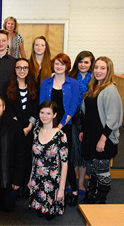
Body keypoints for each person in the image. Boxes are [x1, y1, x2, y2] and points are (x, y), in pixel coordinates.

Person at [79, 57, 122, 204]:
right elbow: (88, 114)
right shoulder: (94, 87)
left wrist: (103, 139)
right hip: (92, 135)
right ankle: (90, 196)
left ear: (108, 70)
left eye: (102, 68)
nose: (98, 71)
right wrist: (83, 130)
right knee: (93, 169)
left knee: (102, 171)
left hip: (104, 138)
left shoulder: (110, 89)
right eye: (96, 67)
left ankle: (100, 200)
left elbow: (113, 119)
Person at [40, 53, 79, 206]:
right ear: (53, 65)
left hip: (65, 127)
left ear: (67, 66)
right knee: (48, 161)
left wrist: (60, 126)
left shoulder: (73, 83)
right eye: (56, 63)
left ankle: (74, 191)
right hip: (46, 127)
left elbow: (72, 107)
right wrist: (48, 127)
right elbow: (43, 106)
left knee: (65, 161)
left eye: (62, 64)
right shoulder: (46, 83)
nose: (59, 66)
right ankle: (49, 191)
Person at [28, 100, 68, 221]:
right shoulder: (36, 131)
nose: (44, 116)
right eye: (42, 112)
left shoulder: (61, 135)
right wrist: (31, 178)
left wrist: (61, 189)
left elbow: (65, 164)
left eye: (48, 113)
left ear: (55, 115)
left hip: (52, 180)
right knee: (39, 214)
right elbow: (34, 157)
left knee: (49, 217)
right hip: (37, 177)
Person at [6, 58, 38, 199]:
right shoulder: (7, 86)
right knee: (15, 157)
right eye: (19, 67)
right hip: (14, 129)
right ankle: (16, 185)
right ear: (14, 69)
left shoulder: (35, 86)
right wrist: (19, 128)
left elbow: (36, 108)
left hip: (29, 129)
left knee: (27, 158)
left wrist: (29, 126)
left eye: (25, 68)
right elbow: (7, 109)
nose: (22, 70)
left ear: (28, 70)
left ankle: (27, 186)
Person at [69, 51, 95, 195]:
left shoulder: (94, 79)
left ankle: (81, 182)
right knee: (74, 151)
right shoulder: (71, 77)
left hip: (88, 120)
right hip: (72, 118)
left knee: (84, 152)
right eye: (81, 61)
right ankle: (73, 181)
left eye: (86, 62)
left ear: (91, 64)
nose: (83, 65)